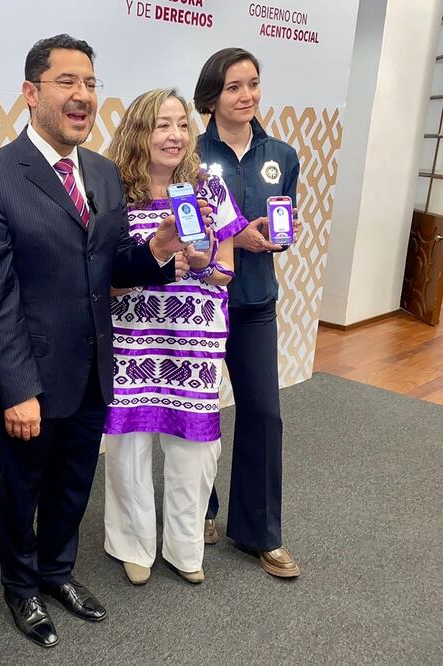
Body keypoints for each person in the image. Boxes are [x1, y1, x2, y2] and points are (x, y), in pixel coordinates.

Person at [0, 35, 193, 649]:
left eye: (90, 83)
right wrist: (17, 389)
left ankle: (57, 572)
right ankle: (20, 587)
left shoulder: (105, 173)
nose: (83, 95)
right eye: (67, 82)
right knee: (23, 485)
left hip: (96, 365)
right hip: (29, 373)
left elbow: (112, 265)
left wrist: (160, 249)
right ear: (32, 93)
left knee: (72, 484)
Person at [102, 88, 247, 586]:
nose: (175, 135)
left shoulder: (210, 187)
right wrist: (157, 256)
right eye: (162, 124)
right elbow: (106, 272)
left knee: (195, 449)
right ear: (139, 130)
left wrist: (207, 266)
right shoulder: (111, 190)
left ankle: (185, 547)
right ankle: (132, 543)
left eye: (182, 125)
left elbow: (228, 270)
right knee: (129, 447)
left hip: (196, 340)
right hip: (132, 337)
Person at [194, 47, 302, 577]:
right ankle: (201, 512)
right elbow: (181, 226)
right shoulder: (190, 155)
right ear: (212, 95)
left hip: (256, 305)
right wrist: (228, 237)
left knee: (263, 414)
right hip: (199, 304)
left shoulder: (281, 152)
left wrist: (274, 239)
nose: (247, 96)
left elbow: (285, 225)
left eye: (253, 84)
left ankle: (261, 532)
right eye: (235, 86)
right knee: (199, 414)